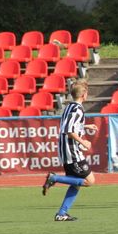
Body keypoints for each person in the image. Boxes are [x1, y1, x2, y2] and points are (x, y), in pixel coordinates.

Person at [41, 80, 97, 221]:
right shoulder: (77, 110)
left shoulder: (69, 107)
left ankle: (61, 213)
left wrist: (86, 126)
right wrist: (84, 142)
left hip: (65, 150)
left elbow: (71, 125)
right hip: (72, 151)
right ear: (84, 95)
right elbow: (69, 131)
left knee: (76, 183)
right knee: (89, 181)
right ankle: (54, 178)